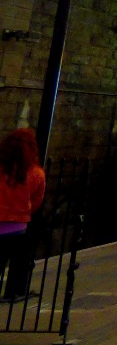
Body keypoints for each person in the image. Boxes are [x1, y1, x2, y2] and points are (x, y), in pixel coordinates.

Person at [0, 128, 46, 301]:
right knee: (21, 261)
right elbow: (36, 201)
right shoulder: (36, 173)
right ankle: (15, 291)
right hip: (18, 226)